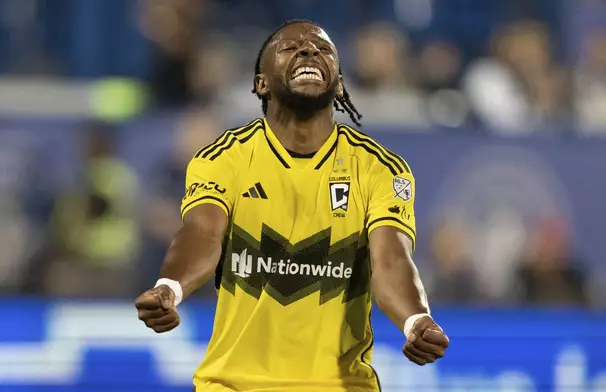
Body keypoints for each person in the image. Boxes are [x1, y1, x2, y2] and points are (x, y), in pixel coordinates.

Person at [135, 19, 449, 392]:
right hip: (234, 386)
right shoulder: (223, 158)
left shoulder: (379, 169)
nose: (308, 51)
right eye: (289, 48)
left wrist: (417, 320)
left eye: (323, 50)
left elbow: (392, 259)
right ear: (261, 83)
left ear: (340, 83)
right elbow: (202, 233)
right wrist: (169, 287)